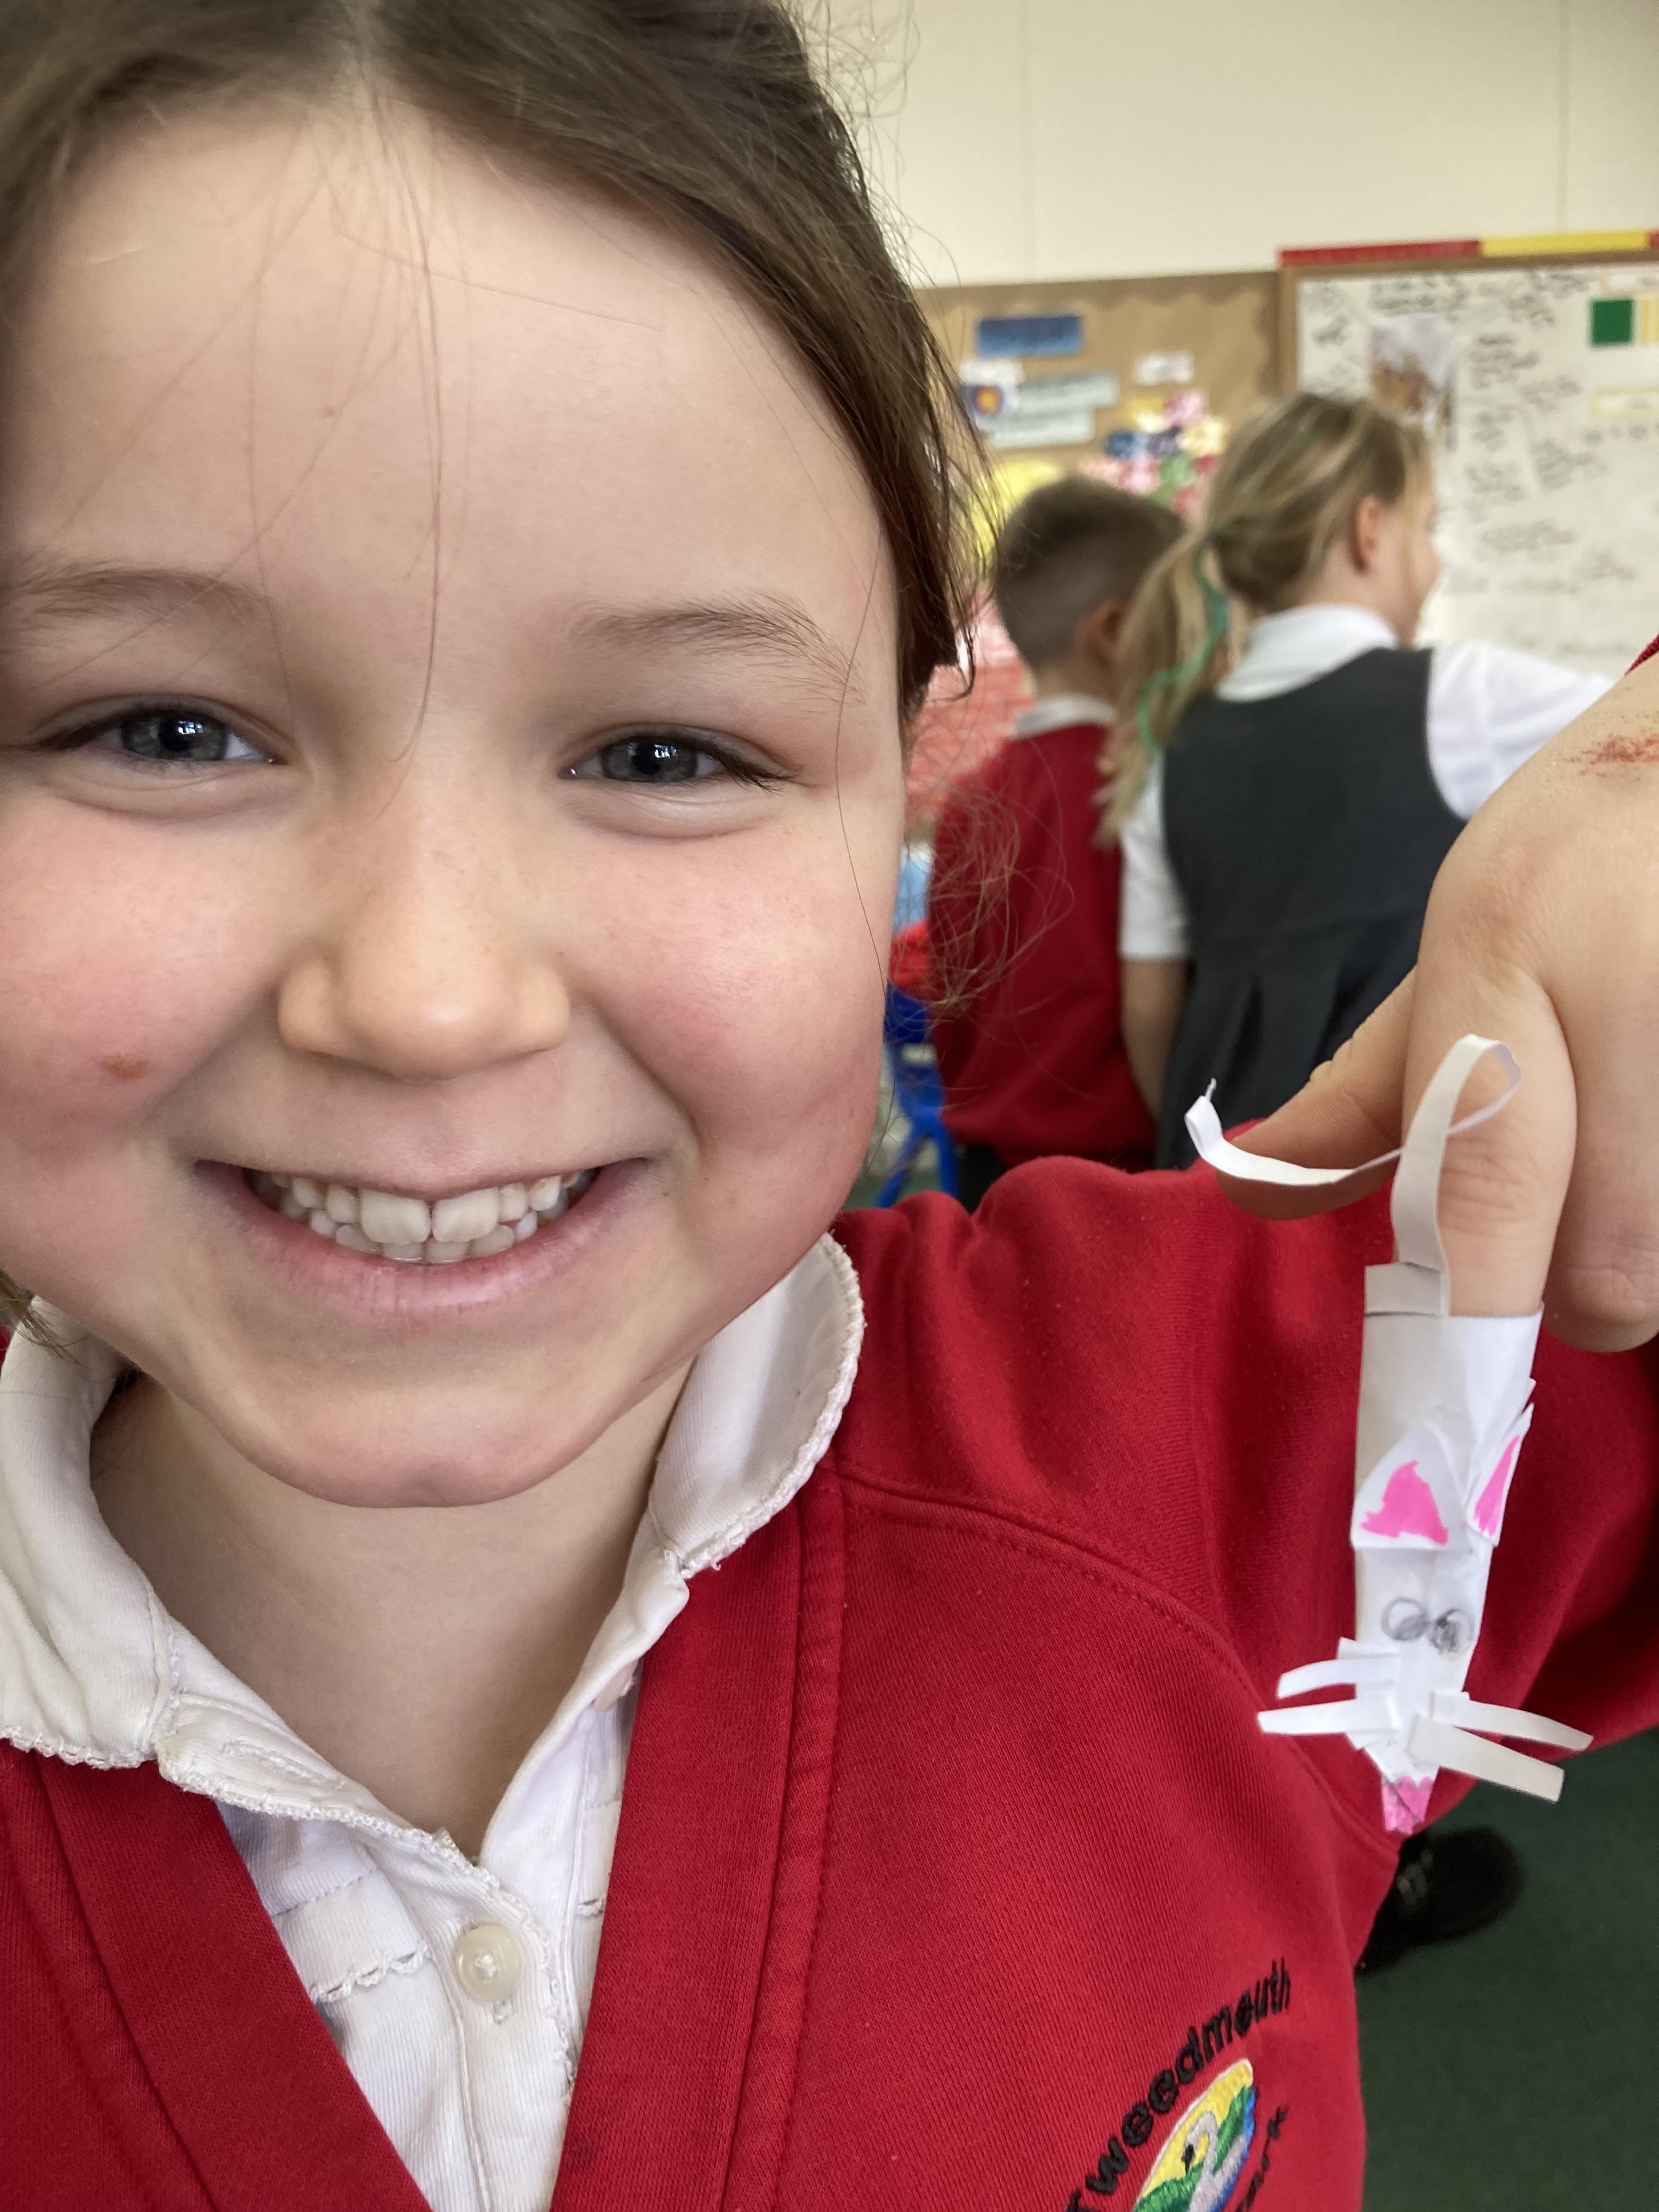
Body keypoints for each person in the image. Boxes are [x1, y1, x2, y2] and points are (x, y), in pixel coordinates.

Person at [3, 10, 1659, 2212]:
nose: (424, 999)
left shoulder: (1254, 1423)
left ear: (909, 770)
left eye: (666, 751)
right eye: (163, 730)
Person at [1113, 392, 1610, 1170]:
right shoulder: (1461, 696)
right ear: (1369, 531)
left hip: (1224, 1179)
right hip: (1396, 1178)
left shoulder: (1171, 753)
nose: (1435, 563)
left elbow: (1149, 1009)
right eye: (1428, 527)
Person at [928, 479, 1181, 1206]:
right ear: (1117, 632)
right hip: (1127, 1178)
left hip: (990, 1180)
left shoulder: (968, 804)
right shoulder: (1143, 789)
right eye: (1187, 617)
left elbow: (952, 1009)